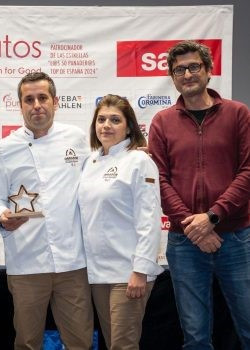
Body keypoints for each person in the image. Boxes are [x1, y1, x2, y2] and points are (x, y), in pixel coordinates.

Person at [148, 40, 250, 349]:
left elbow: (247, 171)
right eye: (180, 69)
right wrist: (194, 227)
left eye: (194, 67)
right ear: (172, 76)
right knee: (195, 336)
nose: (188, 74)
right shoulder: (162, 122)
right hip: (185, 242)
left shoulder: (238, 114)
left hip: (236, 239)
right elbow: (159, 180)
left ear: (208, 70)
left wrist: (213, 216)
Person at [0, 72, 93, 350]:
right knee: (27, 342)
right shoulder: (5, 148)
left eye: (43, 98)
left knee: (80, 341)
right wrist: (1, 216)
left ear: (55, 101)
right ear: (20, 105)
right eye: (29, 99)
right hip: (26, 262)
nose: (37, 105)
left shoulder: (77, 139)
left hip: (72, 262)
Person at [78, 94, 163, 350]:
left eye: (115, 120)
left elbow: (149, 219)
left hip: (128, 272)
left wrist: (140, 270)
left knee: (123, 345)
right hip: (97, 273)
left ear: (128, 126)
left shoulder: (139, 161)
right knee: (112, 342)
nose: (106, 125)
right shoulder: (90, 162)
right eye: (101, 119)